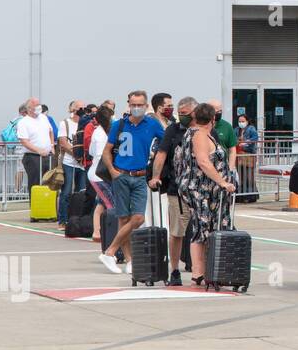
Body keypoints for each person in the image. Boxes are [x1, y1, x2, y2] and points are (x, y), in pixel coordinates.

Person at [98, 91, 166, 274]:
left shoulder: (152, 124)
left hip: (140, 175)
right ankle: (129, 260)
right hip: (121, 174)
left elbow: (165, 141)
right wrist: (112, 171)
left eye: (140, 105)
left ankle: (110, 251)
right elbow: (107, 150)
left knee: (138, 218)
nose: (136, 108)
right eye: (133, 105)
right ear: (129, 105)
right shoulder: (119, 125)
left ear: (146, 106)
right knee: (123, 218)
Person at [174, 103, 237, 287]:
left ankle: (208, 270)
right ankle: (198, 273)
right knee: (202, 227)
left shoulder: (195, 133)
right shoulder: (199, 135)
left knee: (206, 226)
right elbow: (203, 161)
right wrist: (222, 181)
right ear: (212, 119)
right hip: (200, 188)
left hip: (205, 188)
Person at [150, 96, 196, 286]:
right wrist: (155, 176)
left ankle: (200, 269)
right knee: (177, 232)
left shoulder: (204, 130)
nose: (182, 117)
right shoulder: (173, 130)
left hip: (201, 190)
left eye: (185, 114)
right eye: (180, 114)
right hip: (177, 189)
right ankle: (175, 270)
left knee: (202, 232)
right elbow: (161, 154)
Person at [16, 96, 57, 198]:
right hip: (33, 157)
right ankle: (35, 209)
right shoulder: (23, 122)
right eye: (36, 105)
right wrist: (38, 150)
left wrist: (52, 146)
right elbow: (24, 141)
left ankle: (48, 208)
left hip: (48, 156)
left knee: (50, 183)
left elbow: (50, 131)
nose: (39, 107)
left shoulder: (43, 118)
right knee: (35, 183)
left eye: (39, 104)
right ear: (29, 108)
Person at [85, 108, 114, 243]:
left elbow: (91, 151)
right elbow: (103, 153)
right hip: (100, 174)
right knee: (112, 206)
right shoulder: (104, 134)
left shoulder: (97, 132)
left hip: (96, 173)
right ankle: (109, 233)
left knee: (102, 203)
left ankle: (97, 232)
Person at [57, 100, 87, 225]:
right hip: (68, 162)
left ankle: (77, 219)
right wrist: (77, 154)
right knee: (67, 191)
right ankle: (63, 220)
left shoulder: (85, 124)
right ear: (72, 109)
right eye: (80, 108)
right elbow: (63, 143)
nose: (82, 110)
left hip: (82, 164)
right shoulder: (65, 123)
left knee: (81, 192)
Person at [235, 113, 259, 202]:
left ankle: (251, 196)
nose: (241, 123)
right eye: (239, 121)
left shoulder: (251, 129)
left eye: (243, 121)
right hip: (239, 155)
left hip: (249, 155)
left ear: (247, 121)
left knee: (249, 176)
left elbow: (255, 138)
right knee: (241, 176)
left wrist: (246, 142)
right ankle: (242, 196)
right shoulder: (236, 130)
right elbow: (233, 139)